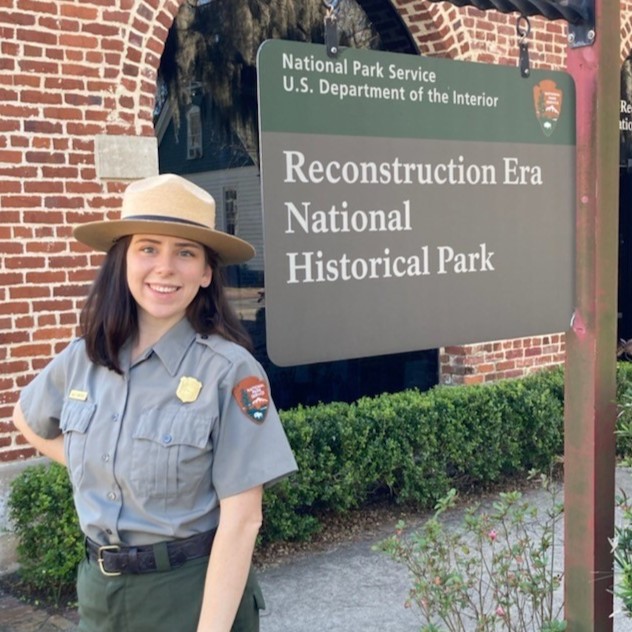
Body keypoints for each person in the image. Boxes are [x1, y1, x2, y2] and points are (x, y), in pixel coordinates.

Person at [12, 173, 298, 632]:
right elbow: (25, 419)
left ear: (206, 272)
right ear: (123, 260)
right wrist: (99, 464)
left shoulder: (229, 372)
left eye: (185, 252)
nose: (165, 267)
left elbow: (243, 520)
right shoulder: (85, 357)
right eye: (148, 247)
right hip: (99, 596)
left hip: (190, 595)